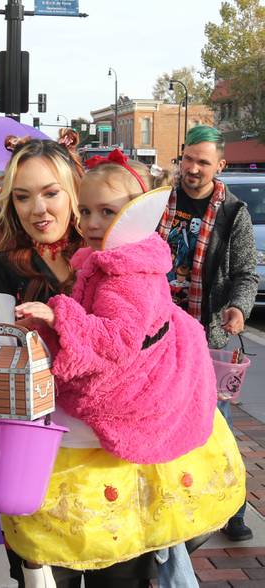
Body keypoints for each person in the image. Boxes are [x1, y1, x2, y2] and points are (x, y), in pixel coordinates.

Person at [0, 138, 243, 587]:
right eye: (21, 196)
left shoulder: (117, 253)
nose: (36, 209)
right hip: (45, 461)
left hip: (124, 457)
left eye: (50, 192)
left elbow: (154, 332)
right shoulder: (1, 268)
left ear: (74, 190)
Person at [157, 125, 258, 542]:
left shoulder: (234, 213)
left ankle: (233, 509)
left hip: (203, 332)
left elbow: (245, 273)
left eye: (203, 161)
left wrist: (237, 306)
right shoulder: (158, 202)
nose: (193, 168)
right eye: (188, 159)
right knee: (159, 419)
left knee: (218, 425)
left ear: (220, 165)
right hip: (157, 332)